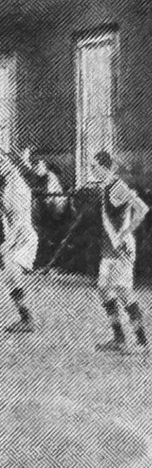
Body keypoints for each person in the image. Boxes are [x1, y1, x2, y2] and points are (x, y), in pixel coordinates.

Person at [91, 151, 149, 354]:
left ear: (103, 167)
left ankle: (141, 342)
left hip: (121, 248)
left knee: (124, 292)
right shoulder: (106, 187)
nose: (91, 170)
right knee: (104, 289)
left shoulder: (116, 186)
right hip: (110, 248)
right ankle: (119, 339)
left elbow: (141, 208)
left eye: (94, 166)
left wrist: (126, 232)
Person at [0, 149, 39, 333]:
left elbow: (18, 221)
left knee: (13, 275)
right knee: (11, 278)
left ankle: (28, 320)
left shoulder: (17, 187)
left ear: (11, 164)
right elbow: (5, 218)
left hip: (24, 237)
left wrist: (8, 242)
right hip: (14, 235)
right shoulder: (4, 185)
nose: (0, 166)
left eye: (3, 162)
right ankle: (26, 319)